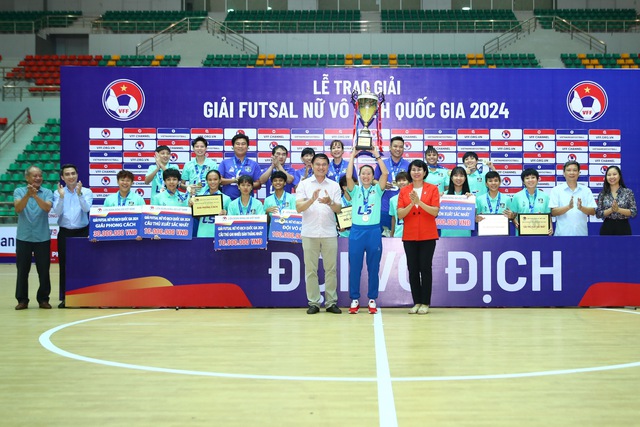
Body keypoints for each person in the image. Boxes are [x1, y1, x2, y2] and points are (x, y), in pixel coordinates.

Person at [295, 153, 343, 315]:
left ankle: (330, 302)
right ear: (312, 166)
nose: (321, 167)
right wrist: (312, 199)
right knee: (311, 270)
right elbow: (298, 208)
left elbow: (339, 209)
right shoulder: (304, 184)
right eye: (318, 164)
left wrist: (329, 202)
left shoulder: (334, 185)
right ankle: (314, 302)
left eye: (324, 164)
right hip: (309, 232)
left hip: (329, 232)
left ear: (328, 166)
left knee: (331, 269)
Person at [345, 149, 388, 315]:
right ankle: (354, 299)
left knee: (373, 268)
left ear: (372, 176)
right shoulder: (355, 190)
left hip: (373, 232)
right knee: (355, 267)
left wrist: (376, 155)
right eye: (363, 173)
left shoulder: (377, 190)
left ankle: (372, 299)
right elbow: (349, 177)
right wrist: (352, 156)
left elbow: (385, 173)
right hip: (356, 232)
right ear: (360, 176)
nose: (366, 176)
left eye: (369, 173)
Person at [396, 160, 440, 315]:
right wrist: (411, 204)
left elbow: (435, 212)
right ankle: (417, 302)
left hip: (428, 235)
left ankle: (426, 303)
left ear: (425, 172)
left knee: (425, 268)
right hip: (410, 235)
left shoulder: (432, 189)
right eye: (413, 169)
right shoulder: (404, 190)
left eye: (419, 169)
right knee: (413, 269)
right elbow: (400, 214)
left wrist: (419, 202)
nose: (416, 172)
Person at [52, 163, 93, 308]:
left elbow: (87, 209)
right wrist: (62, 198)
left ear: (77, 175)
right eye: (67, 174)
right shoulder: (58, 193)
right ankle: (65, 297)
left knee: (84, 264)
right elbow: (57, 212)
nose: (71, 176)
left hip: (82, 231)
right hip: (64, 232)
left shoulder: (86, 191)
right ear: (63, 177)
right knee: (64, 266)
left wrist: (80, 194)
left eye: (73, 173)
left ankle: (85, 297)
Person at [13, 166, 54, 310]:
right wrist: (28, 195)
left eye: (40, 176)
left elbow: (47, 208)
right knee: (22, 270)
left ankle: (43, 299)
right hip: (24, 237)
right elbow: (18, 208)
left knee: (44, 271)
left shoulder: (47, 192)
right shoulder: (19, 191)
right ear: (27, 178)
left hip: (42, 237)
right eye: (34, 176)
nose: (38, 178)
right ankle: (22, 300)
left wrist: (35, 195)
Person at [375, 136, 410, 236]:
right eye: (395, 146)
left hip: (402, 208)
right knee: (384, 238)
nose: (398, 149)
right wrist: (382, 184)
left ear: (403, 149)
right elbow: (373, 180)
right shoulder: (382, 163)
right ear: (390, 147)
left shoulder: (408, 165)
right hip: (384, 207)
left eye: (400, 147)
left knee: (400, 237)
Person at [549, 161, 596, 236]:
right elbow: (553, 212)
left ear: (578, 173)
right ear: (564, 173)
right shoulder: (556, 190)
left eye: (574, 170)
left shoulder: (586, 190)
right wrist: (568, 207)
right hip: (561, 235)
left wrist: (581, 208)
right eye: (568, 170)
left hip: (581, 235)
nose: (572, 173)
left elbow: (593, 211)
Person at [504, 168, 552, 236]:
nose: (530, 180)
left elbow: (548, 214)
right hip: (522, 234)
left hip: (541, 234)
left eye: (533, 177)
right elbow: (513, 215)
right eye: (527, 178)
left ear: (538, 180)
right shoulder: (517, 196)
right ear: (523, 181)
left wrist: (550, 227)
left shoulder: (545, 196)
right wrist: (515, 222)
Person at [218, 133, 262, 200]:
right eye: (237, 144)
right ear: (233, 147)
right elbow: (219, 181)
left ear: (247, 147)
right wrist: (234, 180)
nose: (240, 146)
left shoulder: (254, 164)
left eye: (243, 144)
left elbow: (258, 184)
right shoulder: (224, 163)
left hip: (247, 202)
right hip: (228, 201)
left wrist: (246, 185)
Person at [595, 166, 637, 235]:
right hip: (607, 228)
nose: (612, 177)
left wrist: (618, 209)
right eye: (609, 175)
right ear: (606, 177)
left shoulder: (628, 192)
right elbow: (598, 214)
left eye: (614, 174)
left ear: (619, 176)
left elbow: (634, 212)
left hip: (624, 227)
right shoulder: (602, 194)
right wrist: (611, 210)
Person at [191, 170, 231, 238]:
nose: (212, 182)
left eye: (215, 179)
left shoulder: (226, 199)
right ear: (206, 181)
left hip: (219, 235)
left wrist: (226, 214)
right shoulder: (199, 197)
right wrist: (191, 207)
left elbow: (230, 220)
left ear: (220, 180)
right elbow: (196, 217)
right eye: (210, 180)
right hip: (202, 233)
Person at [440, 166, 473, 238]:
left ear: (465, 178)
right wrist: (439, 199)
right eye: (455, 175)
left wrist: (471, 200)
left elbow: (474, 216)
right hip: (446, 235)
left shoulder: (470, 197)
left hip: (465, 235)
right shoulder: (443, 195)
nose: (458, 178)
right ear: (451, 178)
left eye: (461, 176)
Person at [389, 171, 410, 238]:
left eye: (404, 180)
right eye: (399, 181)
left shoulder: (415, 198)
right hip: (398, 234)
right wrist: (392, 233)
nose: (401, 182)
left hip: (412, 234)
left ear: (409, 182)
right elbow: (393, 218)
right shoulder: (392, 200)